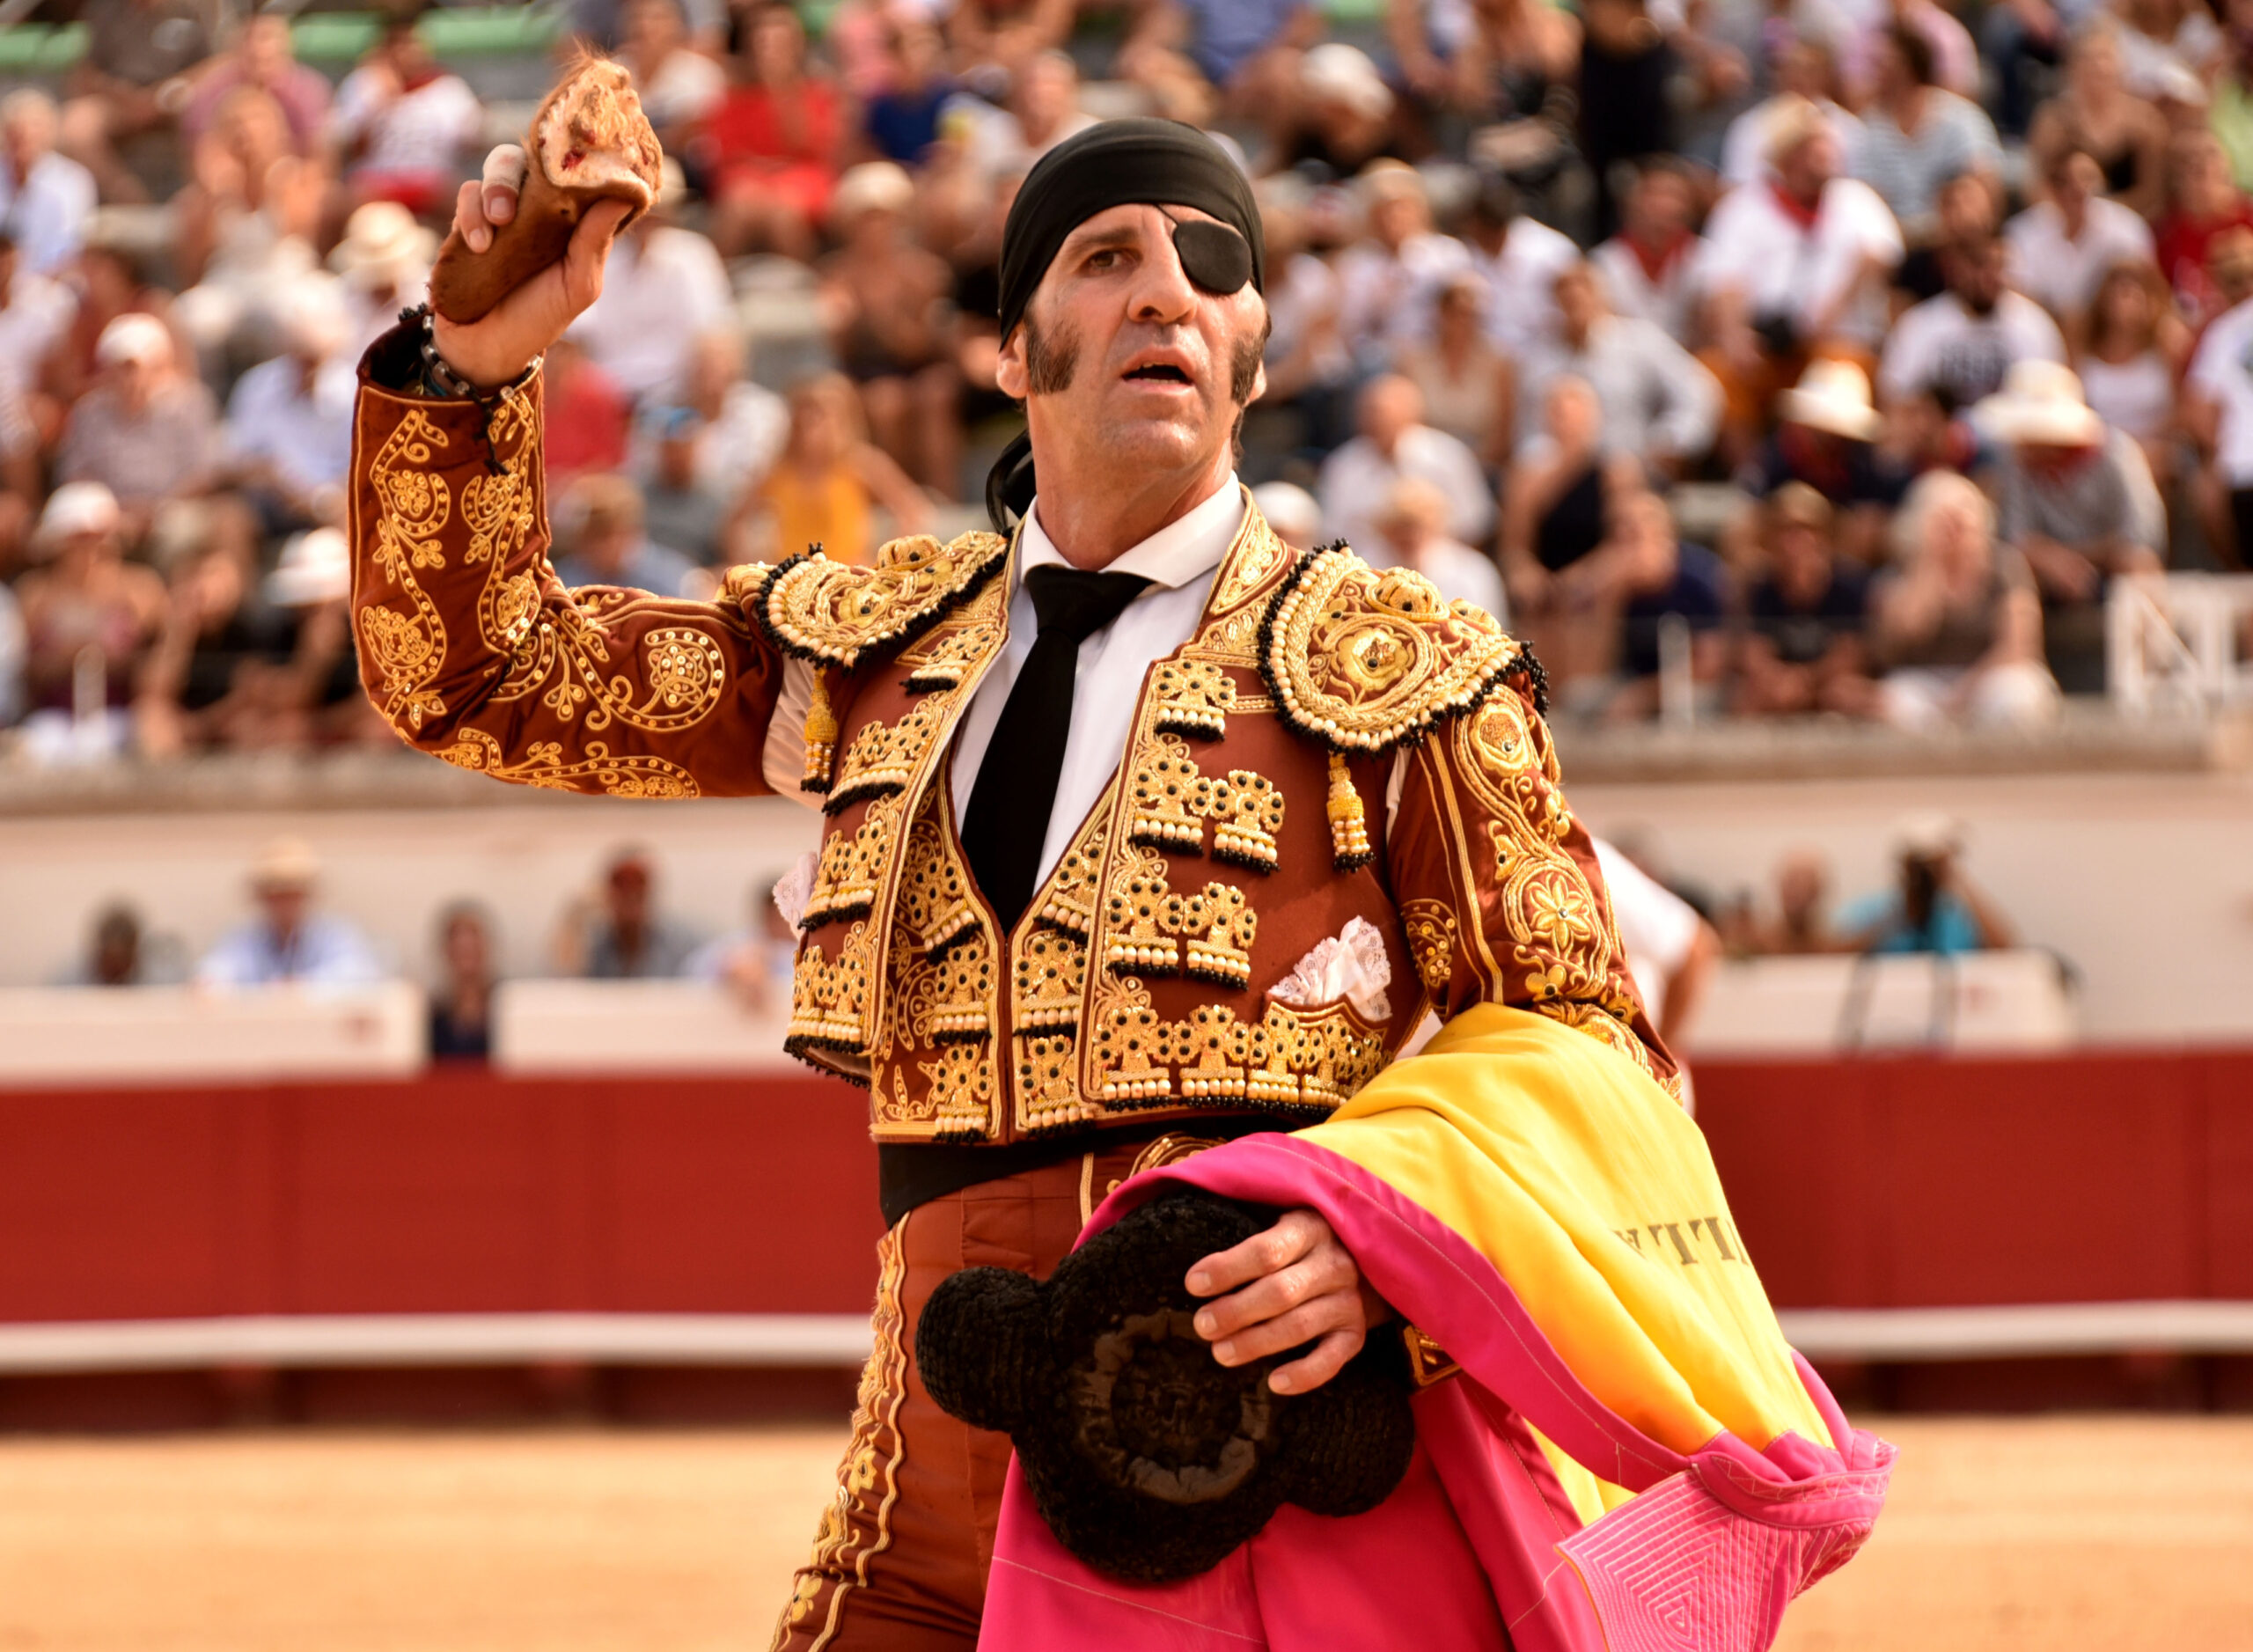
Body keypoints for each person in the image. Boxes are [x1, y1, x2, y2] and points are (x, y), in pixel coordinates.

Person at [358, 114, 1886, 1648]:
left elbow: (1593, 1043)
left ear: (1256, 356)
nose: (1165, 294)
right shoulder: (870, 654)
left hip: (1245, 1508)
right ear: (1012, 352)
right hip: (916, 1528)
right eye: (1108, 259)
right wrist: (469, 365)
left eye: (1208, 268)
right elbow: (482, 676)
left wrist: (1388, 1255)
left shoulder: (1399, 668)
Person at [1978, 360, 2166, 692]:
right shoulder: (2016, 464)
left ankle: (2149, 680)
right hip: (2046, 579)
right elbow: (2014, 540)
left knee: (2141, 570)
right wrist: (2050, 560)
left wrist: (2073, 558)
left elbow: (2141, 539)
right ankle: (2023, 672)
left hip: (2111, 574)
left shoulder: (2117, 455)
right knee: (2014, 570)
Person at [1871, 470, 2061, 730]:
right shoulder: (1901, 570)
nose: (1954, 530)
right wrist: (1930, 563)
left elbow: (2019, 646)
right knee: (1895, 703)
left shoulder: (2005, 565)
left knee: (2019, 695)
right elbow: (1899, 639)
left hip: (1991, 677)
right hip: (1926, 681)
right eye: (1944, 521)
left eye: (1962, 519)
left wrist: (1964, 694)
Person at [818, 160, 962, 498]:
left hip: (918, 365)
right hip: (865, 372)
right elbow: (839, 345)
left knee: (936, 395)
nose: (876, 228)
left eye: (883, 217)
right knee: (885, 402)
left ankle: (945, 499)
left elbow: (924, 342)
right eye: (867, 218)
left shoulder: (925, 272)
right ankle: (897, 499)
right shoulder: (837, 274)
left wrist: (885, 324)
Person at [1514, 261, 1721, 478]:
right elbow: (1529, 433)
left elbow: (1697, 390)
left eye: (1583, 294)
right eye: (1567, 299)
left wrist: (1671, 441)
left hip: (1636, 471)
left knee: (1623, 481)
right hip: (1562, 480)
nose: (1576, 304)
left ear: (1601, 296)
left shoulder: (1641, 340)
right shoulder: (1540, 360)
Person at [568, 160, 733, 406]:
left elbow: (713, 334)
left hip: (677, 397)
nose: (649, 217)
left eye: (659, 208)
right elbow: (576, 338)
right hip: (608, 399)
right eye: (641, 208)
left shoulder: (692, 255)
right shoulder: (597, 257)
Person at [726, 371, 929, 566]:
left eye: (822, 413)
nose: (811, 423)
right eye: (806, 412)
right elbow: (734, 524)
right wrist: (758, 565)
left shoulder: (860, 462)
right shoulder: (778, 470)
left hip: (847, 582)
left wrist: (882, 565)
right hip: (794, 582)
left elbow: (912, 512)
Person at [1878, 232, 2068, 414]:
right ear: (1954, 269)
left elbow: (2052, 400)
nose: (1989, 277)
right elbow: (1895, 394)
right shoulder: (1920, 325)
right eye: (1979, 266)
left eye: (1998, 266)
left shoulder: (2034, 326)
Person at [1735, 483, 1882, 717]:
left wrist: (1805, 680)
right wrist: (1779, 681)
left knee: (1849, 694)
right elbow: (1752, 651)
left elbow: (1853, 654)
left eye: (1808, 531)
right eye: (1787, 533)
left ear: (1826, 536)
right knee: (1746, 697)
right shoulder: (1760, 588)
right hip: (1777, 685)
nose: (1799, 542)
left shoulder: (1850, 586)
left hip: (1827, 683)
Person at [1848, 26, 2002, 242]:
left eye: (1883, 63)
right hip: (1895, 242)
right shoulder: (1867, 129)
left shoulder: (1960, 118)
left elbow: (1986, 181)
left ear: (1906, 67)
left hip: (1954, 238)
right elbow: (1865, 200)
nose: (1875, 73)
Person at [1316, 373, 1493, 559]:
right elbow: (1332, 535)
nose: (1375, 420)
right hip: (1364, 574)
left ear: (1412, 413)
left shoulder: (1449, 457)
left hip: (1440, 572)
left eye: (1382, 412)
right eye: (1369, 412)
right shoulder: (1343, 464)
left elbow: (1473, 530)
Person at [329, 13, 484, 218]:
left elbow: (472, 144)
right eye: (398, 44)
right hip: (377, 180)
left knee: (466, 203)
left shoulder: (447, 87)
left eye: (411, 44)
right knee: (342, 203)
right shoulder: (363, 84)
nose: (406, 52)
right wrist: (383, 101)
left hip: (431, 179)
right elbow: (350, 150)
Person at [197, 835, 384, 988]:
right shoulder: (244, 939)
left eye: (292, 892)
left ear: (307, 894)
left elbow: (356, 974)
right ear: (262, 897)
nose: (284, 902)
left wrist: (303, 988)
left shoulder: (337, 936)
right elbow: (218, 971)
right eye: (275, 893)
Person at [1838, 815, 2016, 953]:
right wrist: (1897, 919)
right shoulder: (1872, 909)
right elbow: (1831, 955)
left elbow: (2005, 949)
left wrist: (1958, 880)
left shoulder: (1957, 914)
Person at [1591, 159, 1705, 346]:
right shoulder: (1604, 261)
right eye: (1655, 194)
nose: (1665, 205)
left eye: (1675, 195)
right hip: (1627, 364)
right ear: (1632, 201)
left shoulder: (1706, 257)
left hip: (1694, 362)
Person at [1372, 474, 1508, 620]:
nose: (1410, 535)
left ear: (1436, 525)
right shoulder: (1371, 570)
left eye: (1418, 525)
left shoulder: (1472, 572)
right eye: (1399, 527)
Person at [0, 92, 98, 279]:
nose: (25, 136)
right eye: (17, 130)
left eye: (34, 129)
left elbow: (70, 245)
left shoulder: (73, 180)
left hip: (51, 283)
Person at [553, 473, 698, 595]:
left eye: (601, 536)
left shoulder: (672, 578)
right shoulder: (565, 578)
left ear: (627, 533)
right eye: (586, 539)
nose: (593, 549)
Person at [573, 848, 698, 980]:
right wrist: (574, 920)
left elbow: (715, 956)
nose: (630, 895)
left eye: (638, 886)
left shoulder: (680, 943)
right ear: (608, 894)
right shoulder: (594, 945)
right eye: (622, 886)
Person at [429, 901, 499, 1060]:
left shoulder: (507, 1007)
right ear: (445, 950)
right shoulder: (431, 1016)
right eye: (458, 939)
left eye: (474, 938)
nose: (466, 946)